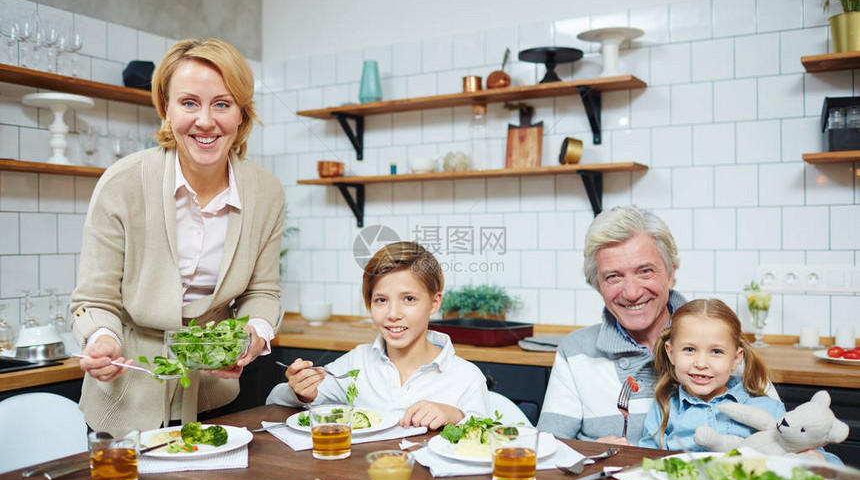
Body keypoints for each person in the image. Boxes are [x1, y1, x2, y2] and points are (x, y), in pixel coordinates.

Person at [72, 38, 285, 433]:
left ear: (241, 114)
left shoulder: (266, 192)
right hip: (126, 396)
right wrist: (102, 337)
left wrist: (254, 334)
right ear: (165, 109)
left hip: (214, 397)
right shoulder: (123, 183)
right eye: (189, 103)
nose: (205, 120)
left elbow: (263, 292)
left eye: (222, 104)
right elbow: (95, 297)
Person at [266, 241, 490, 429]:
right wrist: (302, 392)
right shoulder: (357, 363)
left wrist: (457, 416)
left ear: (434, 303)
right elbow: (274, 401)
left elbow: (489, 440)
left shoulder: (466, 377)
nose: (393, 314)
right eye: (381, 300)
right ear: (369, 304)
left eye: (409, 299)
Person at [537, 205, 685, 442]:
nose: (632, 292)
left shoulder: (719, 339)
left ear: (670, 274)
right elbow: (546, 448)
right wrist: (589, 456)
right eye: (613, 276)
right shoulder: (575, 351)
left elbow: (764, 442)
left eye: (645, 271)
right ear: (598, 285)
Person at [638, 298, 783, 451]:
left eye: (716, 351)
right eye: (689, 349)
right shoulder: (664, 407)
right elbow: (646, 457)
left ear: (736, 359)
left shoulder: (765, 408)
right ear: (671, 353)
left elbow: (799, 445)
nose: (701, 364)